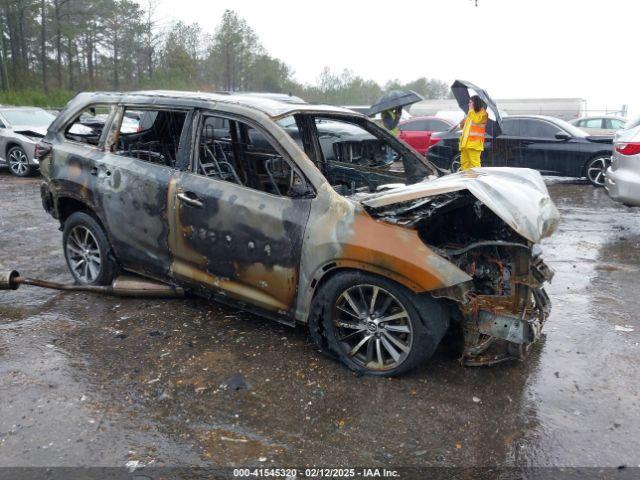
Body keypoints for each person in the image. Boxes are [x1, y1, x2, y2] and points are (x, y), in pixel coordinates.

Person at [458, 95, 488, 171]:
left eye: (470, 102)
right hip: (465, 144)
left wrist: (471, 111)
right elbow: (465, 128)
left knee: (475, 165)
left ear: (475, 103)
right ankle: (467, 180)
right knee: (464, 164)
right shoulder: (470, 113)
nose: (469, 104)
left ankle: (476, 181)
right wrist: (462, 124)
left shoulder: (483, 114)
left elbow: (477, 121)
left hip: (474, 144)